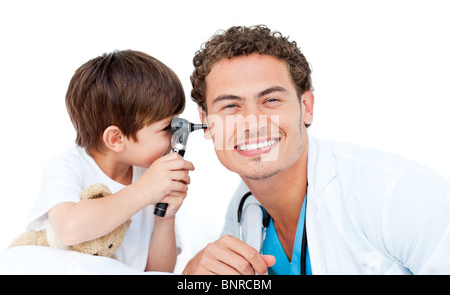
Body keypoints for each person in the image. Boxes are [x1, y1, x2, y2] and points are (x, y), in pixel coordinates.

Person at [182, 25, 450, 274]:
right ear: (206, 122)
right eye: (230, 106)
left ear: (307, 107)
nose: (252, 124)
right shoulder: (245, 209)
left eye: (271, 100)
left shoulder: (397, 194)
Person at [27, 50, 194, 272]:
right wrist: (144, 191)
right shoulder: (67, 167)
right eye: (166, 128)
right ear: (116, 139)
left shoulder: (149, 176)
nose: (175, 135)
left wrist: (165, 218)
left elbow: (159, 270)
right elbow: (68, 228)